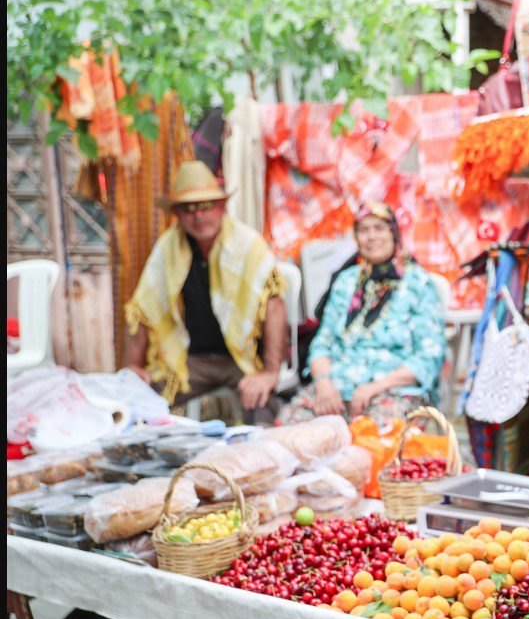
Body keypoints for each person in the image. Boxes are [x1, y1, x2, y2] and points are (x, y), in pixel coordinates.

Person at [125, 161, 286, 424]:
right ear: (176, 213)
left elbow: (275, 306)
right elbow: (143, 307)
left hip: (240, 358)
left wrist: (269, 372)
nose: (198, 216)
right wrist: (133, 366)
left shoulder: (248, 244)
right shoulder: (168, 248)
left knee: (261, 408)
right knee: (137, 402)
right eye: (188, 209)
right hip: (190, 360)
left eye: (205, 205)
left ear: (222, 206)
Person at [278, 202, 446, 426]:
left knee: (376, 441)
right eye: (364, 230)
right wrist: (324, 384)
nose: (371, 236)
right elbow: (322, 343)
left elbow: (429, 356)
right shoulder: (346, 281)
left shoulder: (418, 283)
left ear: (394, 233)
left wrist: (375, 387)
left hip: (391, 390)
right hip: (337, 389)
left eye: (379, 228)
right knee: (290, 424)